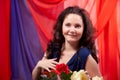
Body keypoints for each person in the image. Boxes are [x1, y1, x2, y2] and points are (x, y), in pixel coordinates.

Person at [32, 6, 102, 80]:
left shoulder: (85, 56)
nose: (72, 30)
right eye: (68, 25)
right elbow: (35, 78)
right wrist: (38, 65)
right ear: (61, 27)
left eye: (77, 26)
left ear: (84, 30)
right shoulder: (53, 48)